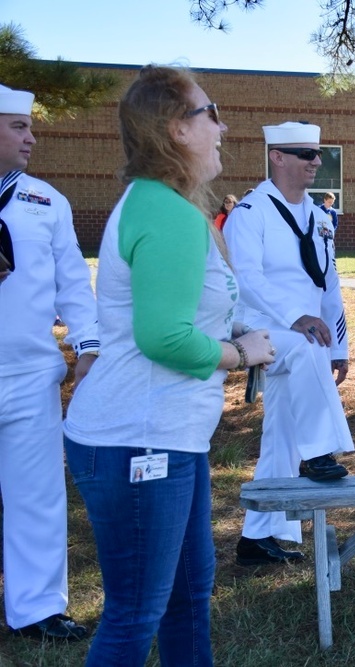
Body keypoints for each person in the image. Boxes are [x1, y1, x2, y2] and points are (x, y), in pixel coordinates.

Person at [62, 65, 275, 665]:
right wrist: (241, 355)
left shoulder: (162, 204)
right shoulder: (169, 213)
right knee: (134, 616)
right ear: (176, 130)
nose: (222, 125)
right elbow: (163, 337)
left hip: (166, 438)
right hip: (139, 440)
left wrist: (230, 328)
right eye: (210, 113)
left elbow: (172, 311)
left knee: (187, 598)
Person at [224, 121, 355, 566]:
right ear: (277, 157)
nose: (316, 161)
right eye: (305, 154)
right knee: (301, 348)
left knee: (279, 436)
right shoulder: (251, 211)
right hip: (261, 328)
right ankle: (319, 452)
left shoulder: (319, 217)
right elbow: (247, 277)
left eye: (317, 154)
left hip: (308, 334)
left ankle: (256, 538)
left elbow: (329, 285)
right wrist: (294, 317)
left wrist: (339, 344)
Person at [0, 83, 97, 642]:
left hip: (31, 373)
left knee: (36, 495)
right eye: (18, 127)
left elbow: (73, 286)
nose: (32, 137)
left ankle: (36, 609)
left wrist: (88, 345)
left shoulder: (46, 201)